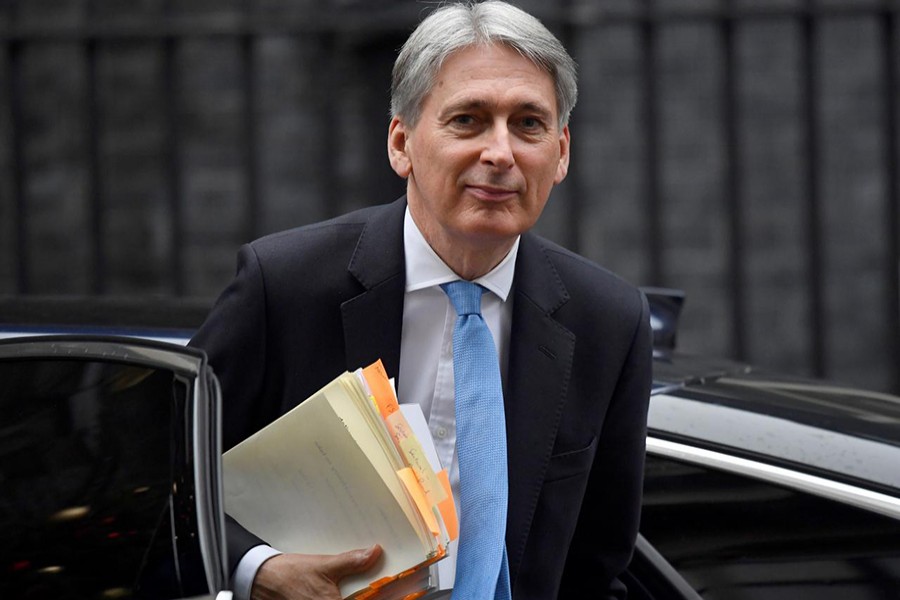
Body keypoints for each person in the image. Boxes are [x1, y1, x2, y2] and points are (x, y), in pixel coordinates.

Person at [191, 2, 652, 599]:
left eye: (528, 124)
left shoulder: (607, 321)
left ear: (561, 152)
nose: (501, 152)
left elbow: (599, 563)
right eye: (468, 120)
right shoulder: (284, 287)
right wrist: (259, 571)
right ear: (401, 143)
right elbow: (162, 484)